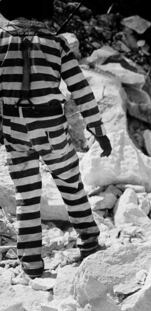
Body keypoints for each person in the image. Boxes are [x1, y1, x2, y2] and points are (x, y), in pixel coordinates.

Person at [0, 0, 112, 278]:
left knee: (27, 196)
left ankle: (32, 263)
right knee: (71, 185)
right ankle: (88, 243)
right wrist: (98, 129)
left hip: (15, 128)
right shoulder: (56, 44)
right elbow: (81, 90)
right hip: (51, 128)